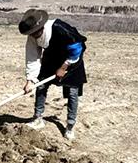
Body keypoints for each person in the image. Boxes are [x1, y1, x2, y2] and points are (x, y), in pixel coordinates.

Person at [19, 9, 87, 140]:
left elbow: (77, 48)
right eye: (31, 34)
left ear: (41, 27)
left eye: (35, 33)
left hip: (72, 59)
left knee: (73, 92)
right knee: (40, 85)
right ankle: (38, 118)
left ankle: (70, 126)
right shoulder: (32, 36)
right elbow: (32, 57)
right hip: (51, 59)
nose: (33, 36)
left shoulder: (60, 29)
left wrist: (64, 67)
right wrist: (30, 80)